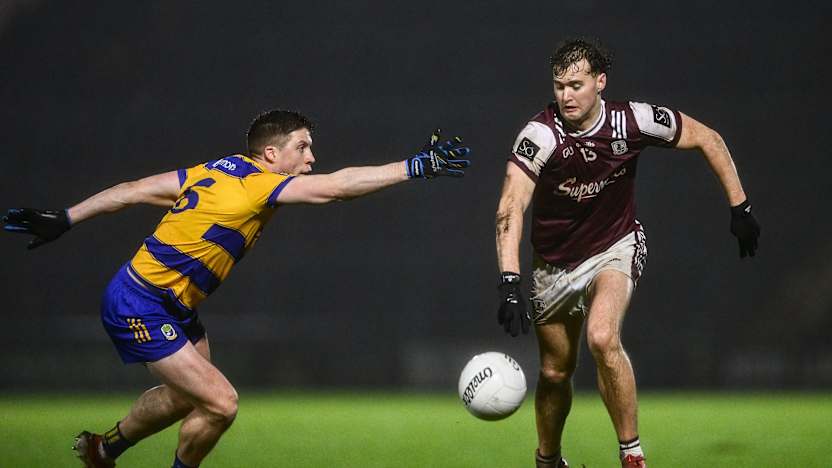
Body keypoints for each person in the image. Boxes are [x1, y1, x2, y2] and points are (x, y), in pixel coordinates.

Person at [2, 110, 471, 468]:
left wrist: (66, 217)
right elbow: (336, 188)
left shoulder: (214, 170)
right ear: (272, 155)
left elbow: (131, 189)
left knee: (188, 397)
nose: (311, 159)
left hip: (172, 304)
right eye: (303, 147)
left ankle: (104, 449)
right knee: (222, 403)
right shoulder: (259, 184)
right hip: (140, 302)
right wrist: (416, 165)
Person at [494, 38, 760, 468]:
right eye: (559, 86)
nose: (566, 95)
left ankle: (631, 455)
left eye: (576, 85)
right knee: (555, 373)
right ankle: (547, 460)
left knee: (602, 336)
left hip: (614, 246)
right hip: (553, 264)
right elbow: (510, 206)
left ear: (600, 82)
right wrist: (509, 281)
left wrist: (741, 207)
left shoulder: (632, 121)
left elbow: (708, 138)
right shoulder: (540, 135)